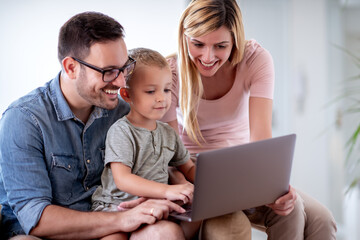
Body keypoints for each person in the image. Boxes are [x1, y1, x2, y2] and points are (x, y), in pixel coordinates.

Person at [158, 0, 338, 239]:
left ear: (235, 40)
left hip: (241, 165)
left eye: (220, 46)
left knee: (317, 219)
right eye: (198, 44)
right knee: (288, 214)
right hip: (193, 169)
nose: (208, 57)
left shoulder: (255, 59)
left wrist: (272, 188)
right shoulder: (168, 73)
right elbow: (173, 154)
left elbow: (261, 142)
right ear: (184, 37)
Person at [0, 12, 187, 240]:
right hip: (45, 233)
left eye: (124, 68)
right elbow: (35, 218)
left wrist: (181, 184)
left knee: (163, 233)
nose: (120, 82)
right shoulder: (24, 119)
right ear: (70, 68)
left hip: (107, 220)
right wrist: (123, 220)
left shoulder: (122, 111)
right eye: (108, 71)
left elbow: (153, 159)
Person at [91, 47, 201, 240]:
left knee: (196, 217)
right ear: (126, 95)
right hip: (116, 207)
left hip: (155, 209)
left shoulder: (168, 133)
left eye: (167, 89)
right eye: (151, 91)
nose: (162, 98)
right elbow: (123, 179)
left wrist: (208, 185)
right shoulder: (122, 131)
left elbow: (188, 168)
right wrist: (168, 190)